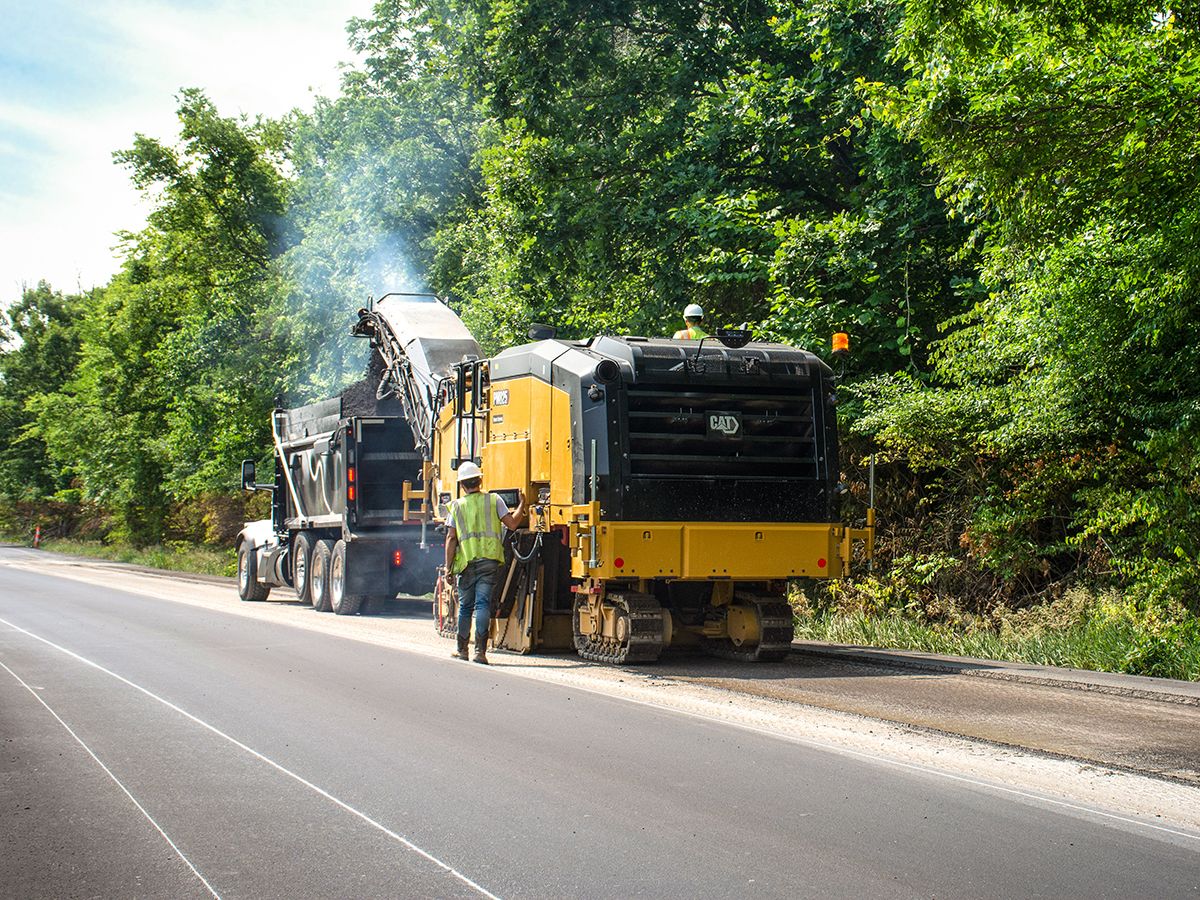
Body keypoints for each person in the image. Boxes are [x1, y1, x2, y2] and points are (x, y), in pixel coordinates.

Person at [444, 461, 526, 664]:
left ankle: (462, 650)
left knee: (465, 607)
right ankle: (480, 653)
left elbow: (451, 539)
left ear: (462, 485)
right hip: (490, 561)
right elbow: (513, 524)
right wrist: (522, 504)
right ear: (480, 480)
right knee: (483, 604)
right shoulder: (494, 500)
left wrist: (448, 568)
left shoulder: (456, 506)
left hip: (466, 562)